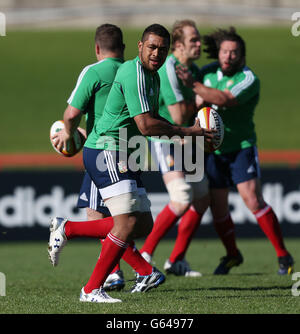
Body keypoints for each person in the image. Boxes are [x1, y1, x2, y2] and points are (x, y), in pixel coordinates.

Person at [48, 23, 216, 303]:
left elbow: (150, 121)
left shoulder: (153, 77)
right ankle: (92, 289)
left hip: (125, 152)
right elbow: (146, 125)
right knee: (124, 224)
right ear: (139, 46)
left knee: (141, 225)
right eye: (151, 47)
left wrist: (181, 137)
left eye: (162, 49)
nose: (156, 53)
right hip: (107, 150)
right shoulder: (133, 72)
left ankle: (67, 229)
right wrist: (188, 132)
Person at [48, 24, 165, 298]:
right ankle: (138, 272)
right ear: (125, 48)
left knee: (103, 217)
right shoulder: (133, 72)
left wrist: (69, 135)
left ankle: (114, 272)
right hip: (129, 152)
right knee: (123, 221)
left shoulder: (94, 71)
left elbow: (71, 114)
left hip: (103, 151)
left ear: (97, 48)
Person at [177, 26, 294, 275]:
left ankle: (283, 256)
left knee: (252, 199)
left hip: (241, 148)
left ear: (242, 55)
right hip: (213, 151)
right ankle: (232, 254)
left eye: (234, 52)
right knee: (219, 209)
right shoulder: (207, 73)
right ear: (218, 53)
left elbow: (225, 99)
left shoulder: (248, 79)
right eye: (224, 51)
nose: (228, 56)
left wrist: (195, 86)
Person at [139, 20, 210, 277]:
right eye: (194, 40)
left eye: (199, 39)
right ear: (178, 46)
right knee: (181, 198)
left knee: (202, 196)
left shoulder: (192, 71)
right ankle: (145, 254)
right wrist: (198, 102)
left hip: (187, 140)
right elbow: (179, 117)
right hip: (166, 140)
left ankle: (177, 260)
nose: (199, 44)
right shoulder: (170, 68)